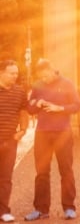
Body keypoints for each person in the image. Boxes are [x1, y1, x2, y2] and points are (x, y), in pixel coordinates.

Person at [25, 59, 80, 221]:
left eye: (46, 76)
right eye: (41, 77)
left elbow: (77, 105)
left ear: (52, 69)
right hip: (42, 133)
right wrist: (37, 102)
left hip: (63, 133)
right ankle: (41, 209)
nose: (44, 79)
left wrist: (60, 108)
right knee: (41, 173)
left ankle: (69, 208)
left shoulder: (67, 83)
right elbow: (29, 108)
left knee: (66, 171)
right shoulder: (37, 86)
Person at [0, 59, 30, 223]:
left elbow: (24, 111)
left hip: (10, 142)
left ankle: (3, 211)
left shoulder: (19, 91)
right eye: (12, 73)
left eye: (16, 73)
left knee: (5, 178)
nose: (15, 76)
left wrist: (23, 130)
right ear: (1, 72)